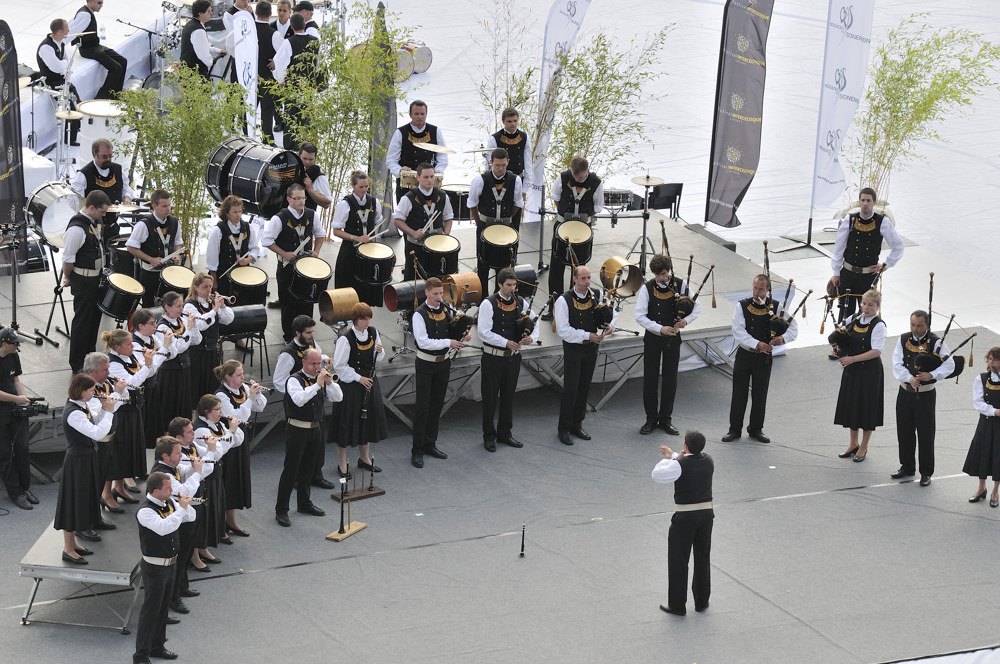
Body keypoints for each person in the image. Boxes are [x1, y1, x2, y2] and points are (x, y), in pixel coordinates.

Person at [722, 274, 797, 445]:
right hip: (745, 354)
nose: (756, 292)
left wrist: (782, 339)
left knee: (760, 394)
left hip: (763, 358)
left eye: (761, 289)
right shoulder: (742, 306)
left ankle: (756, 429)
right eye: (755, 288)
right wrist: (757, 344)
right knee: (739, 393)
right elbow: (738, 331)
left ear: (768, 289)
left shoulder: (776, 307)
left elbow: (793, 328)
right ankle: (734, 429)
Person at [635, 254, 701, 436]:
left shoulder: (681, 285)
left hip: (673, 338)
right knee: (650, 378)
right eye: (657, 275)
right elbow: (639, 315)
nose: (661, 279)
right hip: (653, 338)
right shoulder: (647, 288)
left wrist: (686, 321)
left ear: (669, 271)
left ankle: (666, 419)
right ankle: (650, 419)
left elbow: (697, 306)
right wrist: (659, 328)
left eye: (663, 274)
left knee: (671, 379)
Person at [132, 471, 195, 664]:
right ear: (156, 490)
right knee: (150, 611)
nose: (172, 491)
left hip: (170, 565)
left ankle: (157, 646)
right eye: (168, 488)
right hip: (155, 568)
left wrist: (185, 506)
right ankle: (140, 656)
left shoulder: (169, 502)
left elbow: (189, 517)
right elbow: (164, 527)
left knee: (162, 610)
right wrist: (180, 509)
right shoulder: (145, 511)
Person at [275, 348, 342, 526]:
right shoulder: (293, 380)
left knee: (309, 469)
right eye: (313, 364)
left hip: (316, 429)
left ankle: (304, 503)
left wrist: (329, 383)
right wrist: (317, 385)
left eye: (318, 363)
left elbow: (338, 397)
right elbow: (299, 399)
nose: (316, 367)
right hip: (297, 430)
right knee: (291, 470)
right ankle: (281, 509)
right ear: (304, 363)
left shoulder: (319, 380)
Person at [53, 373, 115, 564]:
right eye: (90, 390)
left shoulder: (82, 406)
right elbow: (96, 432)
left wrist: (104, 409)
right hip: (77, 462)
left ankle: (73, 545)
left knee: (80, 501)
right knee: (73, 502)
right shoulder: (74, 413)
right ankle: (68, 548)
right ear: (81, 391)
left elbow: (95, 420)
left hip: (86, 459)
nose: (94, 393)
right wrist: (110, 412)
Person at [651, 430, 714, 616]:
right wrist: (674, 456)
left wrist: (672, 458)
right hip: (706, 514)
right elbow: (687, 462)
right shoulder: (709, 459)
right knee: (703, 557)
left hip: (686, 516)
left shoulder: (679, 464)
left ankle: (677, 605)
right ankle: (702, 601)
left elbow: (657, 475)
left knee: (678, 559)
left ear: (685, 446)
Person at [890, 310, 954, 486]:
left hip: (925, 395)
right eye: (912, 325)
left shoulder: (936, 342)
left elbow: (950, 365)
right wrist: (909, 378)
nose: (915, 329)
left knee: (926, 433)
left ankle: (926, 472)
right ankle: (907, 466)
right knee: (904, 431)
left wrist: (931, 375)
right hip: (905, 392)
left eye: (919, 325)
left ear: (927, 325)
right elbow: (897, 363)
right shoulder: (903, 339)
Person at [410, 277, 468, 468]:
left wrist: (461, 335)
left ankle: (430, 444)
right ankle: (417, 450)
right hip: (426, 364)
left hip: (443, 364)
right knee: (422, 407)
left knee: (436, 406)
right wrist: (449, 342)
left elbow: (450, 333)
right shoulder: (418, 314)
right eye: (435, 294)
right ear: (426, 293)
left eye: (440, 293)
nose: (438, 297)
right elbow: (422, 341)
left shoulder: (445, 310)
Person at [554, 265, 615, 446]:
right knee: (571, 388)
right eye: (583, 279)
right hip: (574, 348)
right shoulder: (563, 300)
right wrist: (589, 335)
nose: (587, 282)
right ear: (574, 279)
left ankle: (577, 424)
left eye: (588, 278)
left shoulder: (596, 294)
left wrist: (610, 326)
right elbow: (563, 331)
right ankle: (563, 428)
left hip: (591, 348)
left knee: (584, 386)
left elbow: (611, 313)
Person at [271, 314, 334, 489]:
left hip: (315, 396)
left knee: (318, 440)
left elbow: (319, 355)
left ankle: (316, 474)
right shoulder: (288, 354)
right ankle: (297, 478)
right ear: (297, 332)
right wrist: (296, 391)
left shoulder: (311, 343)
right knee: (299, 445)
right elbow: (278, 381)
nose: (312, 335)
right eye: (308, 332)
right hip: (298, 401)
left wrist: (325, 358)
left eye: (313, 331)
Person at [102, 329, 161, 514]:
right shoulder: (113, 363)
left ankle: (119, 487)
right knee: (116, 452)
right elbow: (132, 383)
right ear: (117, 347)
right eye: (128, 344)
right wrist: (147, 365)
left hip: (133, 410)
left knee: (127, 450)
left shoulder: (131, 357)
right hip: (120, 412)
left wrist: (149, 363)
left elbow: (149, 373)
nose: (133, 346)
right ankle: (106, 494)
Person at [477, 268, 536, 452]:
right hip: (493, 358)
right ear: (500, 284)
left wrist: (531, 337)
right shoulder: (488, 303)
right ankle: (489, 435)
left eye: (514, 285)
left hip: (512, 359)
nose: (512, 288)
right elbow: (483, 333)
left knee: (509, 396)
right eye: (509, 285)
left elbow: (534, 321)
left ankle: (505, 433)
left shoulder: (520, 301)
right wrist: (506, 342)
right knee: (490, 398)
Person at [149, 432, 206, 611]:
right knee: (176, 561)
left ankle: (182, 587)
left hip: (183, 518)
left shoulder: (172, 468)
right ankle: (173, 599)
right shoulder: (162, 474)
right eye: (177, 453)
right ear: (165, 456)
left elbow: (183, 472)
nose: (181, 456)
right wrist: (197, 473)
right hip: (174, 522)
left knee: (184, 556)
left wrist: (192, 467)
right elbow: (184, 490)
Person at [262, 183, 326, 341]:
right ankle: (290, 338)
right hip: (287, 267)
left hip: (307, 268)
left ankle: (307, 336)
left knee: (306, 302)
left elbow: (320, 234)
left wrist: (316, 251)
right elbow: (266, 240)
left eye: (303, 197)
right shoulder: (279, 218)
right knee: (288, 303)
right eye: (297, 198)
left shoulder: (311, 214)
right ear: (289, 199)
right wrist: (284, 253)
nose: (301, 201)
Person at [830, 188, 904, 323]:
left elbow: (898, 246)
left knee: (866, 314)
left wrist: (885, 265)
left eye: (868, 200)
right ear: (859, 202)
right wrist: (836, 272)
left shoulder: (883, 222)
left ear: (874, 203)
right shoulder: (850, 220)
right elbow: (838, 248)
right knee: (845, 314)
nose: (865, 203)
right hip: (848, 274)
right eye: (862, 200)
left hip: (868, 277)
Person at [543, 157, 603, 320]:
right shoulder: (563, 177)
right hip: (563, 227)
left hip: (583, 229)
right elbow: (556, 198)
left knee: (578, 268)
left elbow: (597, 207)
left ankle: (574, 306)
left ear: (587, 172)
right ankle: (554, 307)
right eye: (576, 177)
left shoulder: (596, 182)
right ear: (571, 171)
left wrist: (584, 221)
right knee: (557, 266)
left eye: (582, 177)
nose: (578, 180)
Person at [331, 303, 386, 479]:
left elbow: (379, 357)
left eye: (369, 318)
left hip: (369, 382)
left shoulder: (373, 332)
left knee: (367, 420)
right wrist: (358, 378)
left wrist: (380, 351)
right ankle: (342, 463)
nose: (367, 321)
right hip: (352, 385)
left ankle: (364, 458)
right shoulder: (345, 340)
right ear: (355, 320)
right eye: (364, 319)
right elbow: (339, 366)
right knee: (346, 423)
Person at [833, 289, 886, 462]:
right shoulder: (854, 319)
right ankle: (853, 443)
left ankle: (863, 446)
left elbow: (876, 351)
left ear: (877, 306)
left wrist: (852, 359)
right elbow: (841, 336)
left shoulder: (879, 325)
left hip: (869, 372)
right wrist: (837, 350)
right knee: (853, 406)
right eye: (864, 304)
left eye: (871, 305)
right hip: (853, 368)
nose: (866, 307)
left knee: (866, 409)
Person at [214, 360, 266, 536]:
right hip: (227, 440)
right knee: (227, 479)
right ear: (228, 377)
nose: (243, 377)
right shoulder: (221, 395)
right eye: (239, 375)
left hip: (240, 439)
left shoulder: (243, 388)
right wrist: (250, 398)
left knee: (236, 479)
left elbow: (261, 406)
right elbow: (236, 417)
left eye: (243, 374)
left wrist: (257, 394)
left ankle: (231, 520)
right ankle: (221, 524)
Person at [62, 190, 111, 373]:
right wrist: (68, 277)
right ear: (91, 207)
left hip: (97, 278)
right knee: (82, 322)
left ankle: (89, 357)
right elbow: (68, 259)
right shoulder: (76, 228)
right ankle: (77, 363)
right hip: (83, 279)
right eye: (102, 212)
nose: (104, 215)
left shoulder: (94, 221)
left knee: (93, 321)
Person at [147, 292, 201, 442]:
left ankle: (183, 438)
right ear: (167, 307)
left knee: (183, 404)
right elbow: (178, 349)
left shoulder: (182, 320)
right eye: (178, 306)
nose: (181, 308)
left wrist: (193, 325)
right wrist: (189, 329)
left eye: (182, 305)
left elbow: (196, 341)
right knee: (169, 406)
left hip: (184, 370)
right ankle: (168, 440)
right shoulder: (163, 326)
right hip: (170, 373)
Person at [469, 148, 523, 295]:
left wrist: (508, 219)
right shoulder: (480, 180)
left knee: (505, 266)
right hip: (486, 224)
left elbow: (518, 203)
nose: (500, 169)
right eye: (497, 165)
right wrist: (479, 223)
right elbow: (472, 204)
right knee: (483, 264)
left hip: (505, 227)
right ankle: (483, 299)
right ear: (491, 162)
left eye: (503, 165)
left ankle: (499, 297)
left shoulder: (515, 180)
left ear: (508, 163)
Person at [192, 395, 242, 552]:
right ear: (207, 411)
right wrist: (231, 432)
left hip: (217, 470)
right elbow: (218, 452)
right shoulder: (201, 429)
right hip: (207, 474)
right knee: (209, 508)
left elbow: (238, 441)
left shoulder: (216, 423)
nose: (221, 412)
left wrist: (234, 430)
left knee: (219, 504)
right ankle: (204, 544)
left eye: (221, 409)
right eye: (217, 409)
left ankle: (219, 534)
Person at [393, 162, 455, 281]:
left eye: (432, 177)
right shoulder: (408, 197)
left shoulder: (443, 196)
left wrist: (446, 234)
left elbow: (448, 217)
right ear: (418, 178)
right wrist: (413, 232)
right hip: (416, 247)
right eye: (426, 177)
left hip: (437, 247)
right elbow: (397, 220)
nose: (430, 180)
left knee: (436, 279)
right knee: (414, 280)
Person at [126, 189, 185, 308]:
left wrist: (176, 254)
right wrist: (151, 259)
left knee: (171, 306)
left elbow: (178, 242)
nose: (168, 208)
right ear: (154, 206)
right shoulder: (144, 224)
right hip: (150, 273)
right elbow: (130, 247)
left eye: (169, 205)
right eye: (164, 206)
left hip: (169, 272)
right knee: (150, 307)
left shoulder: (174, 222)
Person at [71, 138, 134, 248]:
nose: (108, 159)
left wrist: (127, 198)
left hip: (112, 227)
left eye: (110, 156)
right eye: (104, 157)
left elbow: (127, 189)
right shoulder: (83, 175)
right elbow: (75, 202)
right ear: (94, 154)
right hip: (91, 230)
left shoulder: (118, 170)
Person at [184, 274, 235, 407]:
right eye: (205, 287)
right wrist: (215, 310)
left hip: (212, 351)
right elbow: (200, 324)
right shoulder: (189, 306)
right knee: (197, 387)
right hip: (196, 353)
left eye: (210, 287)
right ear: (196, 287)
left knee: (211, 385)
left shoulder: (212, 303)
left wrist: (222, 306)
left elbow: (228, 320)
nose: (209, 290)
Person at [272, 13, 320, 150]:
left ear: (291, 26)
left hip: (293, 85)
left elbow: (278, 63)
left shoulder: (289, 42)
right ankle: (307, 147)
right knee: (307, 117)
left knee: (291, 116)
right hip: (309, 85)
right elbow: (319, 63)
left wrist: (280, 80)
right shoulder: (315, 41)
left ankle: (291, 147)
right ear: (305, 25)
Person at [331, 170, 385, 292]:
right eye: (361, 187)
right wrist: (357, 238)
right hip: (350, 250)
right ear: (353, 186)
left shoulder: (374, 202)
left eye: (366, 186)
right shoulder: (345, 204)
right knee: (346, 285)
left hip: (369, 250)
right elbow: (336, 231)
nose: (364, 189)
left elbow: (377, 222)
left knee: (367, 285)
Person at [0, 328, 36, 510]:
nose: (19, 345)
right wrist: (16, 399)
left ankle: (25, 488)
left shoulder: (13, 355)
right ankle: (16, 493)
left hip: (15, 409)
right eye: (15, 343)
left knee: (23, 447)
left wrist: (24, 400)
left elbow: (16, 381)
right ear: (5, 344)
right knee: (5, 454)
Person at [206, 194, 263, 303]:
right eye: (235, 212)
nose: (238, 215)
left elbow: (255, 249)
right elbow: (212, 257)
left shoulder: (248, 227)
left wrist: (249, 259)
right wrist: (214, 280)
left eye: (240, 212)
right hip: (224, 275)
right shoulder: (218, 231)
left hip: (243, 273)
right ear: (227, 213)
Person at [387, 100, 448, 202]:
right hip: (406, 186)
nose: (420, 117)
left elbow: (443, 158)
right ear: (410, 114)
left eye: (422, 114)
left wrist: (437, 171)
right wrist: (400, 170)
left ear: (426, 114)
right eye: (416, 114)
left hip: (429, 184)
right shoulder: (400, 133)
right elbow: (391, 160)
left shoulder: (435, 131)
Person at [963, 347, 1000, 507]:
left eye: (994, 360)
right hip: (986, 423)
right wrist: (995, 411)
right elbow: (978, 403)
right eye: (989, 359)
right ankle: (981, 488)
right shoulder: (982, 378)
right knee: (983, 454)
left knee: (999, 457)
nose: (991, 362)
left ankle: (995, 491)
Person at [69, 0, 128, 100]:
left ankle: (116, 93)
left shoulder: (88, 13)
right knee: (116, 68)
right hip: (87, 49)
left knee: (123, 61)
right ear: (91, 1)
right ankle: (103, 96)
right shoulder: (84, 15)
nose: (101, 5)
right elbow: (72, 29)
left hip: (96, 46)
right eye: (99, 3)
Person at [36, 19, 81, 145]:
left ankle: (75, 132)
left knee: (78, 102)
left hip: (62, 80)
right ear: (60, 31)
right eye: (67, 29)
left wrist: (64, 65)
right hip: (52, 82)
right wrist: (64, 65)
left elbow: (68, 62)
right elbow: (57, 68)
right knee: (68, 108)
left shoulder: (60, 43)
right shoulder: (46, 47)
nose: (69, 31)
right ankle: (69, 139)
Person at [253, 1, 282, 142]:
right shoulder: (274, 34)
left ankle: (248, 138)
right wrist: (276, 62)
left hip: (250, 78)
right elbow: (284, 54)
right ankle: (267, 140)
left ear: (256, 13)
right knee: (266, 111)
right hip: (268, 79)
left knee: (248, 109)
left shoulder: (248, 31)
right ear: (271, 14)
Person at [485, 107, 531, 193]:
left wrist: (524, 190)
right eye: (509, 121)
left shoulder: (524, 137)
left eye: (515, 121)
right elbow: (489, 164)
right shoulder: (495, 138)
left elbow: (528, 165)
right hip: (499, 183)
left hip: (518, 182)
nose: (513, 124)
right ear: (503, 121)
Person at [180, 0, 223, 80]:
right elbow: (203, 55)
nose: (211, 13)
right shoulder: (198, 31)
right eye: (208, 11)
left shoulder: (190, 24)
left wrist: (219, 51)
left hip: (187, 71)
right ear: (200, 13)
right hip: (195, 74)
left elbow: (202, 47)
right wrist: (211, 61)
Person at [299, 142, 332, 211]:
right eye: (304, 158)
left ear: (315, 158)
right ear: (299, 155)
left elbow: (327, 203)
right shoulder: (290, 170)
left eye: (311, 159)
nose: (307, 162)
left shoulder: (319, 177)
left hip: (307, 217)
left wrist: (310, 189)